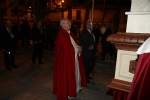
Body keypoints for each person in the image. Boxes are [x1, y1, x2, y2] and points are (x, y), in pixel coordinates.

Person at [53, 18, 87, 100]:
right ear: (63, 25)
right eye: (68, 23)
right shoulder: (61, 35)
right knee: (68, 75)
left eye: (69, 22)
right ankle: (68, 92)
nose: (70, 24)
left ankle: (75, 88)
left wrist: (78, 47)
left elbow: (74, 43)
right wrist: (77, 49)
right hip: (66, 60)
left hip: (73, 58)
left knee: (76, 73)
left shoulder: (70, 33)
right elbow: (66, 48)